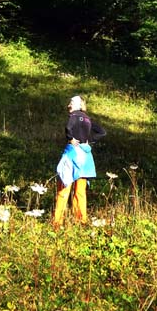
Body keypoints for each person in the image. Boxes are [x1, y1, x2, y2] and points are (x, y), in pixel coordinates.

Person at [53, 95, 106, 226]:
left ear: (77, 105)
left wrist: (70, 138)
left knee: (64, 189)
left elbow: (68, 128)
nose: (68, 105)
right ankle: (81, 221)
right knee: (80, 191)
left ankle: (57, 223)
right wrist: (90, 140)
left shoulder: (74, 116)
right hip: (85, 157)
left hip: (72, 155)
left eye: (70, 102)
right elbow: (102, 132)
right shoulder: (88, 119)